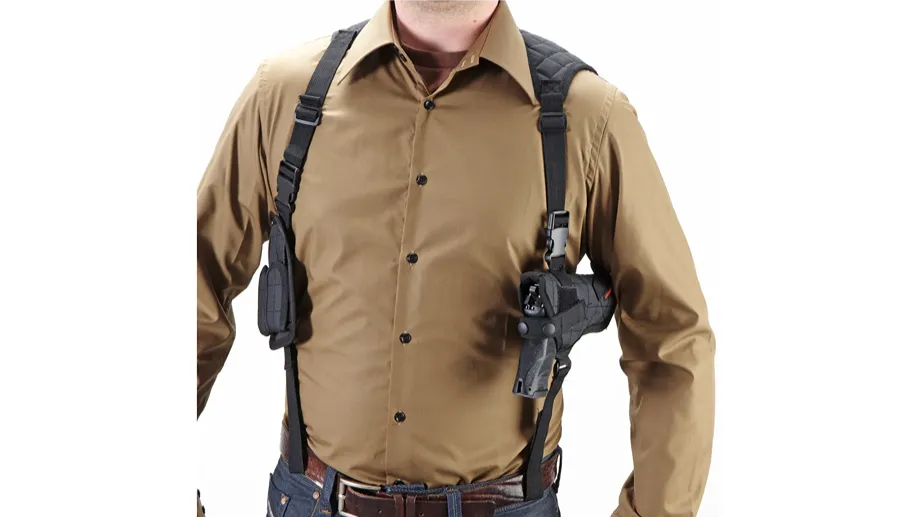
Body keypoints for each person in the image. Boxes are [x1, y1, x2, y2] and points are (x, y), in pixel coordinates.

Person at [197, 0, 715, 515]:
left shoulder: (588, 119)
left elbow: (671, 337)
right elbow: (194, 290)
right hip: (312, 500)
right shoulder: (284, 96)